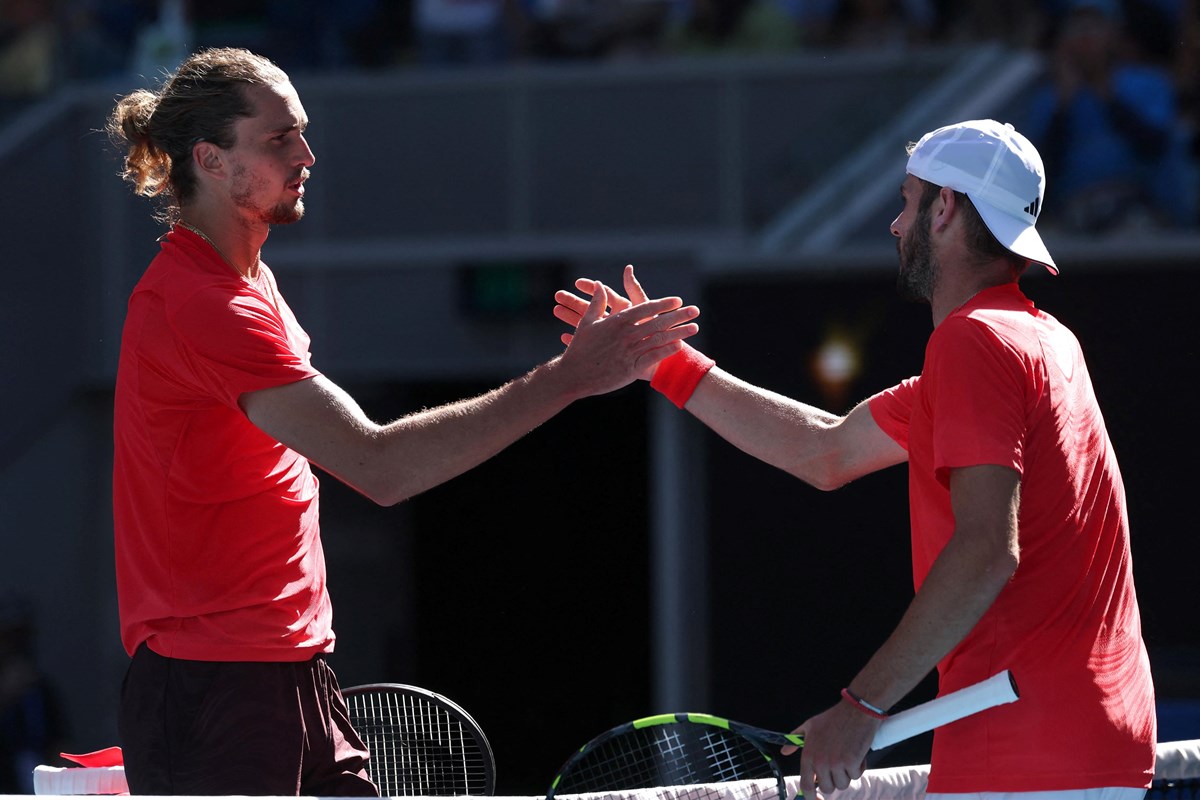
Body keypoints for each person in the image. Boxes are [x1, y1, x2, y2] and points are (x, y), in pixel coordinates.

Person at [105, 46, 698, 796]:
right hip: (214, 691)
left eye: (303, 132)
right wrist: (571, 378)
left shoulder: (251, 282)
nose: (307, 154)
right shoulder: (202, 305)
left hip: (295, 673)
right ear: (212, 161)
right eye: (280, 138)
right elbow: (379, 466)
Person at [555, 119, 1156, 798]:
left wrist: (862, 707)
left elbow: (989, 548)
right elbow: (825, 450)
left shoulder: (975, 343)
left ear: (947, 209)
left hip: (1024, 753)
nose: (897, 225)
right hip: (1097, 739)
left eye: (907, 201)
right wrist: (665, 365)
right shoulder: (1045, 343)